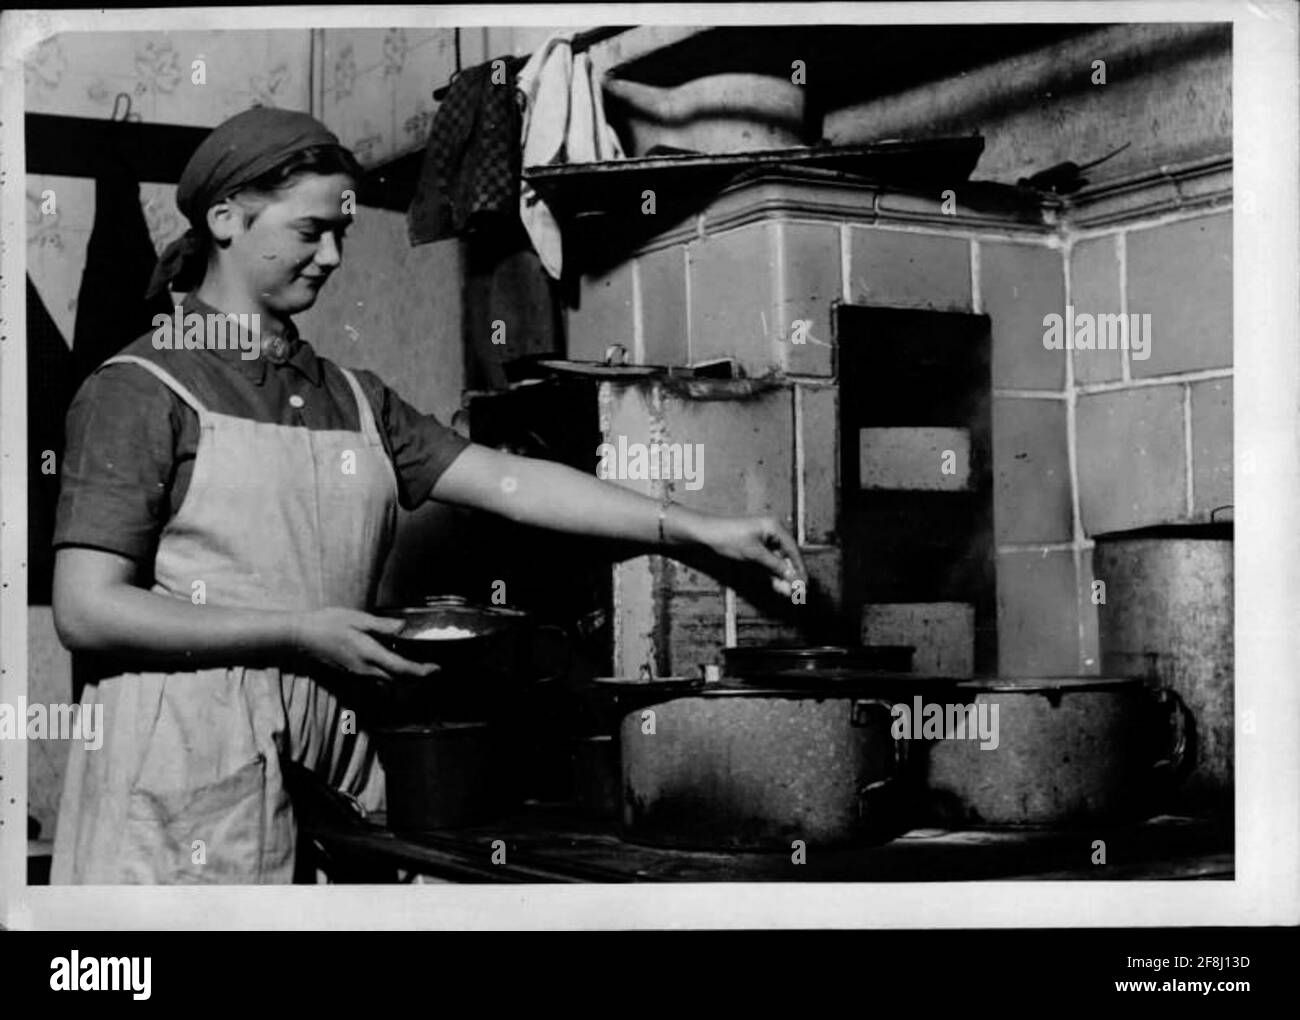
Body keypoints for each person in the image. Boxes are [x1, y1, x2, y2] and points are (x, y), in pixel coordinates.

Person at [50, 106, 806, 884]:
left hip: (327, 750)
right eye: (312, 231)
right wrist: (295, 631)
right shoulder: (139, 390)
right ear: (225, 219)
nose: (334, 255)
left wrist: (698, 530)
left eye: (341, 232)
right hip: (182, 759)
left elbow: (513, 482)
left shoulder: (352, 396)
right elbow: (87, 609)